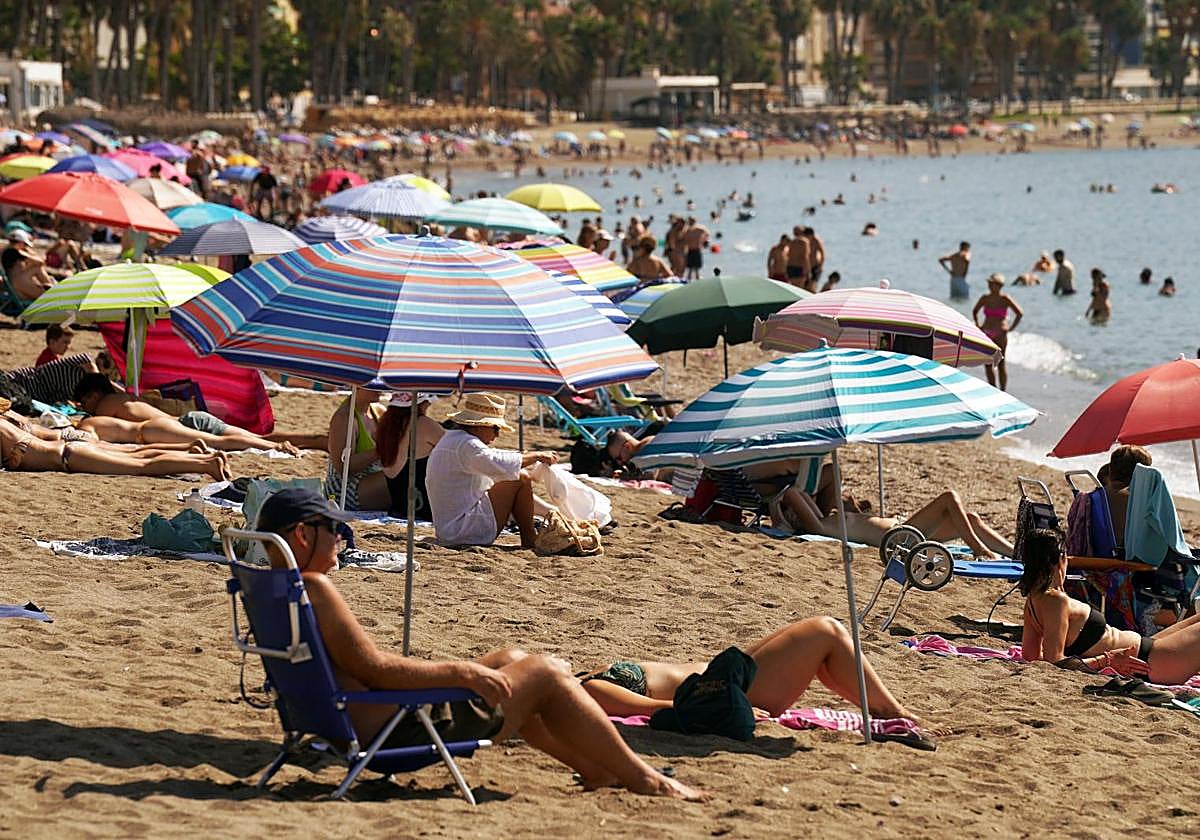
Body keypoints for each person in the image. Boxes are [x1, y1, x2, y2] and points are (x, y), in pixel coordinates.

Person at [253, 488, 705, 800]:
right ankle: (646, 779)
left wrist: (469, 670)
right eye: (333, 529)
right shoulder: (314, 587)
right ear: (302, 534)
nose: (341, 538)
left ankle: (597, 769)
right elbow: (375, 669)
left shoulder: (268, 589)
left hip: (338, 720)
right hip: (393, 731)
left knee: (512, 659)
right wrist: (461, 671)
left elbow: (359, 670)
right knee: (546, 672)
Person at [579, 616, 936, 748]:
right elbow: (648, 707)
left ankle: (884, 710)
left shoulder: (583, 681)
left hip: (721, 679)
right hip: (723, 695)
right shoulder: (587, 688)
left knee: (813, 640)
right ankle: (894, 713)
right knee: (825, 631)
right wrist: (725, 709)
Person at [1019, 528, 1200, 685]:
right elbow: (1054, 660)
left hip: (1148, 647)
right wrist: (1106, 660)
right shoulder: (1056, 601)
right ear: (1061, 559)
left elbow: (1030, 655)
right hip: (1148, 662)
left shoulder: (1033, 601)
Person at [425, 393, 558, 548]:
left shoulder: (453, 438)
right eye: (495, 428)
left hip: (448, 529)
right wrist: (537, 455)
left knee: (512, 475)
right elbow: (498, 463)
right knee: (520, 478)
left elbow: (495, 459)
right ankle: (529, 537)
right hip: (463, 529)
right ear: (480, 425)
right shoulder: (468, 444)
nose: (496, 435)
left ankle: (531, 534)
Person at [72, 374, 301, 455]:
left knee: (225, 442)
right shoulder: (124, 397)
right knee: (256, 439)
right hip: (192, 418)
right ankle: (312, 441)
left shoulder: (105, 405)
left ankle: (277, 446)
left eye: (84, 402)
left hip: (178, 426)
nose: (84, 407)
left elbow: (100, 428)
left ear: (94, 395)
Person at [0, 400, 230, 480]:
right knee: (136, 454)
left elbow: (14, 458)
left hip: (69, 456)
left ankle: (206, 464)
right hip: (69, 444)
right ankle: (194, 454)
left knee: (141, 466)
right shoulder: (7, 416)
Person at [782, 488, 1013, 559]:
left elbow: (800, 493)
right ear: (796, 516)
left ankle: (1015, 553)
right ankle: (978, 549)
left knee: (970, 518)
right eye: (793, 511)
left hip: (906, 529)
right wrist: (777, 509)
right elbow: (792, 493)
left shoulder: (825, 518)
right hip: (900, 537)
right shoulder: (820, 527)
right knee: (949, 498)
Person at [377, 392, 444, 520]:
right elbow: (454, 448)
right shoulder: (422, 424)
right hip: (426, 507)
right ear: (419, 403)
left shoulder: (386, 425)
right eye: (427, 402)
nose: (429, 405)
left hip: (399, 506)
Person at [325, 388, 389, 511]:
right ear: (355, 385)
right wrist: (380, 451)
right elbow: (343, 468)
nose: (378, 387)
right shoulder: (345, 418)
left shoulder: (379, 411)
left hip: (371, 479)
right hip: (343, 489)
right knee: (399, 480)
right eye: (371, 384)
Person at [972, 273, 1023, 390]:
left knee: (1001, 363)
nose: (990, 286)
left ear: (999, 286)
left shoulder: (1005, 299)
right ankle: (993, 389)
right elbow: (975, 311)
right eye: (989, 283)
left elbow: (1019, 313)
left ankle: (1003, 391)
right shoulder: (985, 298)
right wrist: (978, 325)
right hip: (987, 332)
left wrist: (1011, 328)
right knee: (987, 363)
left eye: (992, 284)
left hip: (1000, 333)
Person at [1, 229, 54, 301]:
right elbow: (40, 262)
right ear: (20, 242)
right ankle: (52, 288)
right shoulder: (14, 252)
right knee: (37, 268)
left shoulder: (7, 251)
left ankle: (51, 286)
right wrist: (28, 251)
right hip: (19, 284)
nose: (25, 247)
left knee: (36, 268)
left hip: (14, 286)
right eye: (25, 244)